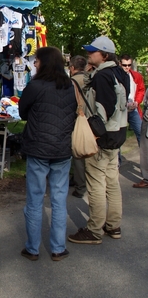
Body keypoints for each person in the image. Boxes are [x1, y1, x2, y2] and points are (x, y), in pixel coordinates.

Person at [68, 36, 129, 244]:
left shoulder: (102, 76)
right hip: (118, 133)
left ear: (104, 54)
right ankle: (113, 225)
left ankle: (94, 230)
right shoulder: (121, 73)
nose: (88, 54)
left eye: (92, 52)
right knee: (112, 183)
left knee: (96, 184)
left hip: (103, 137)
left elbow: (104, 107)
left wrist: (95, 133)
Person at [18, 46, 77, 261]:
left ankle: (33, 249)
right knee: (59, 200)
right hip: (61, 149)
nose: (34, 63)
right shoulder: (69, 85)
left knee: (34, 200)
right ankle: (58, 248)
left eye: (37, 60)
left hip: (38, 148)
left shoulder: (35, 85)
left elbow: (22, 111)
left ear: (44, 62)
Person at [69, 55, 88, 198]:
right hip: (92, 120)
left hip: (78, 120)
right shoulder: (90, 79)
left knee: (78, 154)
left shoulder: (72, 82)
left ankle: (80, 186)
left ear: (72, 68)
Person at [119, 54, 144, 146]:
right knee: (118, 137)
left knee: (141, 133)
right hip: (120, 110)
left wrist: (137, 102)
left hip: (133, 109)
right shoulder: (115, 76)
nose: (127, 67)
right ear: (120, 64)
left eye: (129, 65)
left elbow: (141, 90)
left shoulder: (136, 76)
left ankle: (145, 157)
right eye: (125, 65)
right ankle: (118, 160)